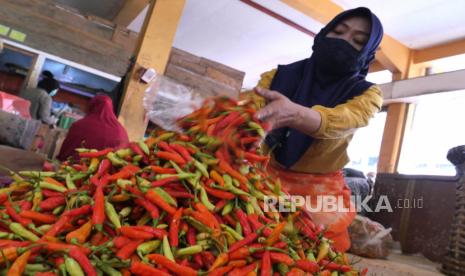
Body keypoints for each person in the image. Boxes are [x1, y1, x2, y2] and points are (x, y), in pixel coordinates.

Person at [252, 7, 384, 252]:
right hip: (266, 180)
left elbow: (345, 119)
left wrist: (296, 114)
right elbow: (250, 117)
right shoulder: (277, 77)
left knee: (322, 253)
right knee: (255, 242)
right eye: (338, 31)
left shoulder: (368, 94)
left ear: (367, 54)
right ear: (323, 34)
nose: (344, 42)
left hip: (321, 189)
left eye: (358, 41)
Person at [57, 94, 129, 161]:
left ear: (92, 106)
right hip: (109, 172)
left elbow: (66, 152)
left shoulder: (79, 125)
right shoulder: (121, 131)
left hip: (74, 169)